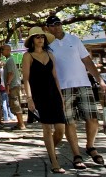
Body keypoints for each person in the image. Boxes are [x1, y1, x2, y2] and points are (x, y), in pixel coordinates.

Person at [44, 15, 106, 169]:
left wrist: (100, 80)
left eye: (58, 23)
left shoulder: (74, 40)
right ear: (47, 28)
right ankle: (76, 154)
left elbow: (87, 61)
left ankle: (90, 146)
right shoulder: (47, 45)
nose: (56, 27)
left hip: (83, 84)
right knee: (69, 121)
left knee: (93, 118)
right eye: (52, 25)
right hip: (63, 87)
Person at [21, 27, 66, 174]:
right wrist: (29, 98)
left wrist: (61, 96)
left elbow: (55, 77)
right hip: (39, 95)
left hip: (54, 93)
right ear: (32, 40)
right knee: (47, 129)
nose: (40, 39)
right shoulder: (28, 56)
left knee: (60, 130)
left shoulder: (50, 54)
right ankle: (54, 161)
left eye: (42, 36)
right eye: (36, 37)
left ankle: (50, 149)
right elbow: (26, 79)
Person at [1, 44, 26, 130]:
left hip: (13, 85)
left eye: (3, 49)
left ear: (8, 50)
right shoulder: (8, 60)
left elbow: (10, 73)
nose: (2, 51)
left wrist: (7, 84)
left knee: (15, 103)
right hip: (13, 85)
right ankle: (19, 123)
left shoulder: (10, 60)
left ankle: (21, 124)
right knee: (14, 103)